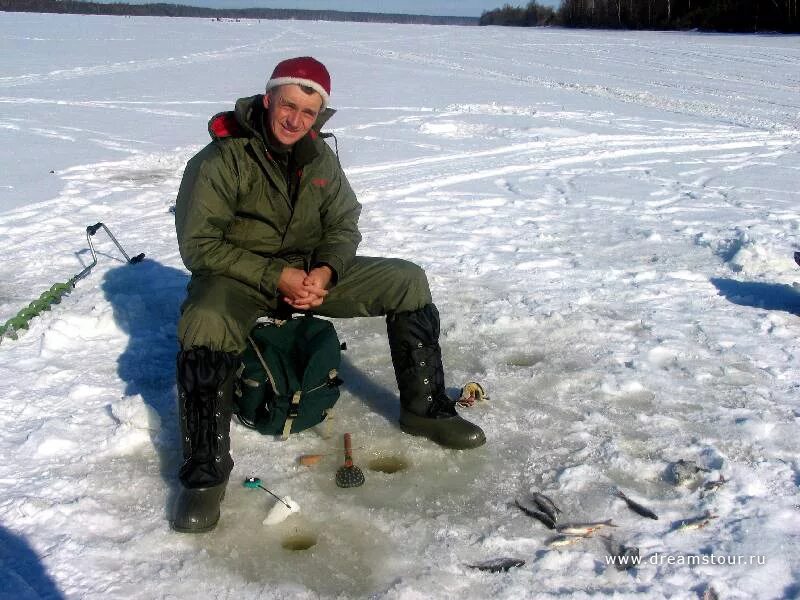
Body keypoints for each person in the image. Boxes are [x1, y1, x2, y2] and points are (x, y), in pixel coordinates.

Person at [172, 56, 485, 533]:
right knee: (206, 319)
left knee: (407, 280)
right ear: (268, 98)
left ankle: (425, 410)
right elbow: (199, 246)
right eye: (289, 105)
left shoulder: (320, 157)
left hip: (309, 275)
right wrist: (276, 276)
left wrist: (324, 271)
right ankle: (205, 472)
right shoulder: (220, 158)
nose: (296, 120)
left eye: (309, 112)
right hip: (235, 279)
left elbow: (343, 223)